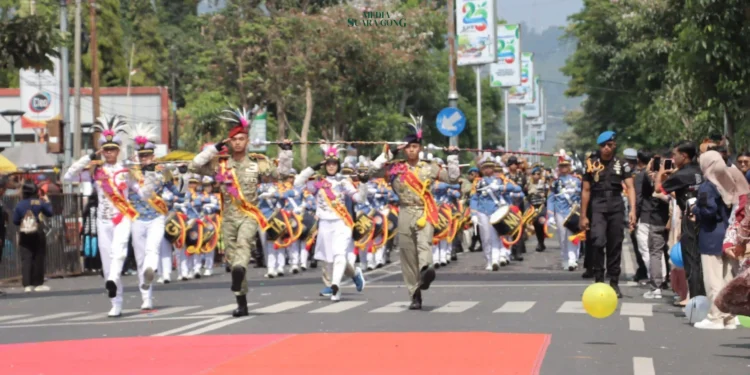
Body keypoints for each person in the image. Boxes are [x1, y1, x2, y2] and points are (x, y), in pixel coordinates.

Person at [190, 106, 292, 317]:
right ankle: (241, 301)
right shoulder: (221, 164)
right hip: (227, 217)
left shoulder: (257, 163)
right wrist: (214, 149)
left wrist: (286, 152)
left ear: (247, 141)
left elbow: (282, 174)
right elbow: (194, 166)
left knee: (244, 246)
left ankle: (239, 271)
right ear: (229, 142)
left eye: (241, 138)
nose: (237, 142)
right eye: (234, 139)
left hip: (249, 214)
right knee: (232, 258)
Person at [64, 114, 151, 317]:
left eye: (112, 149)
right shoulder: (95, 171)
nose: (109, 152)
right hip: (103, 221)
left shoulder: (127, 171)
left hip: (123, 217)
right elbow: (68, 175)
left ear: (118, 150)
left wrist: (151, 177)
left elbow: (143, 193)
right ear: (102, 150)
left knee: (119, 252)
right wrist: (89, 156)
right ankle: (116, 301)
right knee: (107, 259)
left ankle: (113, 278)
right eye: (106, 149)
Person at [371, 115, 460, 309]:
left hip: (424, 211)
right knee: (407, 254)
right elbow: (370, 172)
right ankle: (415, 293)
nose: (412, 150)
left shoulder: (429, 167)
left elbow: (452, 178)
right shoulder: (395, 169)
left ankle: (427, 271)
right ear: (404, 149)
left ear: (420, 148)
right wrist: (391, 153)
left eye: (415, 146)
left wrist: (452, 157)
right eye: (408, 147)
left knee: (424, 244)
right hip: (404, 211)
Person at [293, 142, 367, 301]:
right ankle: (354, 274)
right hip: (324, 225)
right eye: (328, 163)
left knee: (339, 255)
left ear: (338, 165)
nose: (331, 166)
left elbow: (359, 198)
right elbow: (297, 183)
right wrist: (313, 167)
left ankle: (335, 287)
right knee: (330, 260)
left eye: (334, 163)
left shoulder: (343, 181)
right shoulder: (317, 182)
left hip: (341, 223)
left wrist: (363, 183)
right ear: (324, 164)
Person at [580, 131, 636, 297]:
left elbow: (631, 187)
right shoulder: (591, 163)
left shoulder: (621, 164)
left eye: (609, 145)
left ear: (614, 145)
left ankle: (614, 282)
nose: (606, 148)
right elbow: (586, 189)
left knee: (615, 244)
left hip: (616, 205)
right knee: (597, 241)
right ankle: (598, 278)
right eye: (603, 145)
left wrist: (633, 209)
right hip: (597, 205)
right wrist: (583, 215)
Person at [692, 150, 741, 329]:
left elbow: (708, 212)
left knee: (713, 279)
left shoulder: (707, 186)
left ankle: (715, 317)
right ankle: (729, 316)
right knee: (727, 279)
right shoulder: (729, 182)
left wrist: (695, 209)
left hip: (711, 235)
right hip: (728, 235)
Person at [656, 140, 705, 299]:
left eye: (675, 155)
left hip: (690, 219)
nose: (673, 158)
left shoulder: (680, 175)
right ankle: (704, 297)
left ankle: (696, 301)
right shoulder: (702, 171)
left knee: (691, 262)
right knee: (705, 261)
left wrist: (661, 173)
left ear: (684, 156)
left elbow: (659, 189)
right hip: (707, 219)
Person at [13, 181, 53, 292]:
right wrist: (47, 202)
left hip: (24, 233)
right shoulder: (39, 202)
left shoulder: (20, 204)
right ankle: (38, 284)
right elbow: (50, 213)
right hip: (38, 232)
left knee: (26, 258)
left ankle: (27, 285)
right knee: (38, 257)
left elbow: (15, 221)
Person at [547, 152, 582, 271]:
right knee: (562, 237)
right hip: (560, 211)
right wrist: (550, 215)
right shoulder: (556, 182)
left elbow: (582, 195)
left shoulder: (577, 180)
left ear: (570, 167)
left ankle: (573, 259)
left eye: (566, 166)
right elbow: (551, 199)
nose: (564, 168)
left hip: (573, 211)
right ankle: (565, 258)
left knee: (573, 235)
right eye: (561, 166)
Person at [624, 148, 648, 282]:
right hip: (634, 211)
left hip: (639, 213)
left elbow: (637, 197)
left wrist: (634, 215)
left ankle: (644, 269)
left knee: (641, 244)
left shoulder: (637, 175)